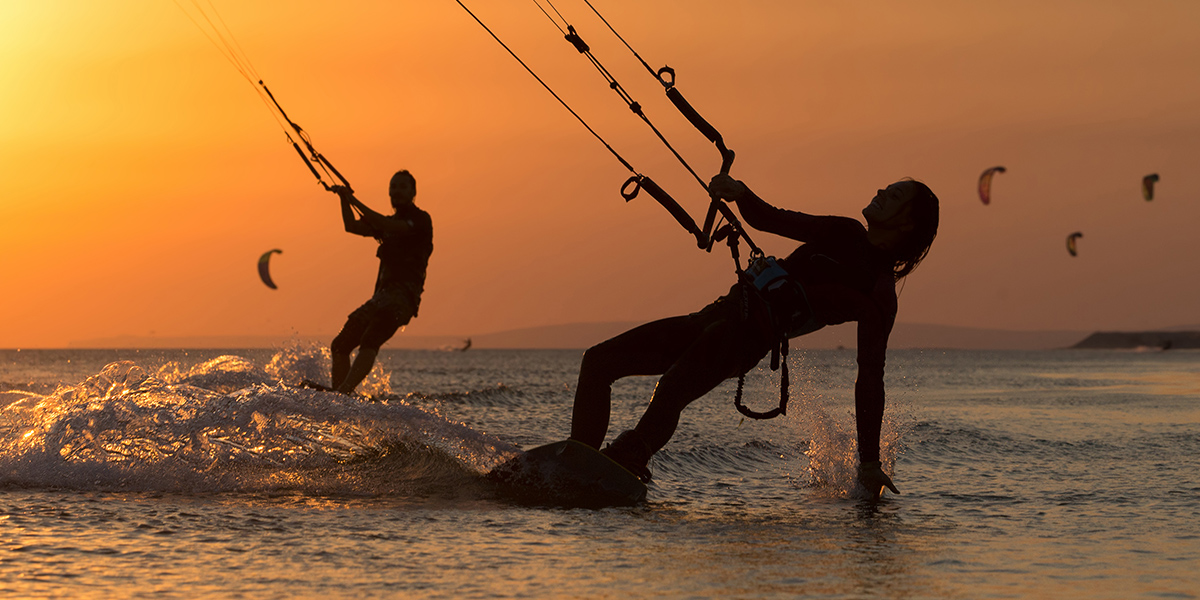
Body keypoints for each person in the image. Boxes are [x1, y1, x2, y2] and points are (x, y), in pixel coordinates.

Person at [569, 174, 939, 498]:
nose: (879, 191)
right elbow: (772, 219)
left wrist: (869, 461)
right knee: (599, 361)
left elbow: (870, 376)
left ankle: (615, 466)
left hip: (744, 339)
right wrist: (739, 192)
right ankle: (572, 462)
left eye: (892, 196)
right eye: (887, 188)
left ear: (907, 224)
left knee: (671, 390)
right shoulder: (844, 231)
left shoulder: (877, 294)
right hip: (717, 314)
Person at [326, 170, 433, 394]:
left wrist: (353, 199)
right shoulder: (387, 222)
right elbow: (351, 226)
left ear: (413, 192)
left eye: (403, 187)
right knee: (340, 345)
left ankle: (344, 392)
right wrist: (343, 200)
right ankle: (340, 397)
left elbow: (389, 225)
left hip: (402, 299)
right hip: (380, 298)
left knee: (369, 340)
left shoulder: (420, 220)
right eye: (393, 187)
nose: (397, 191)